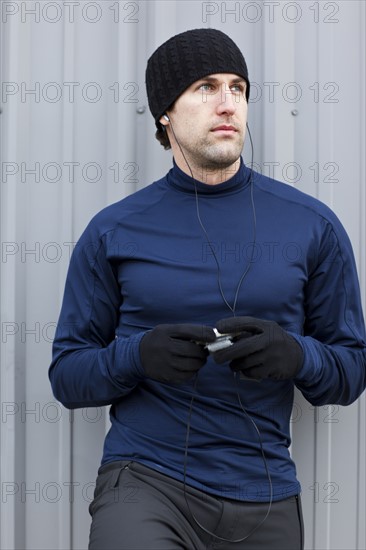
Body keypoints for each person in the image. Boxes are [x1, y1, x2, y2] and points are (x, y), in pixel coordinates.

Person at [49, 28, 366, 549]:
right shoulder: (115, 230)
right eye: (205, 86)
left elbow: (349, 372)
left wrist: (295, 355)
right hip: (146, 482)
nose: (227, 103)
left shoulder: (312, 225)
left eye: (237, 87)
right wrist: (136, 357)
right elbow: (67, 376)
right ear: (164, 114)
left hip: (263, 491)